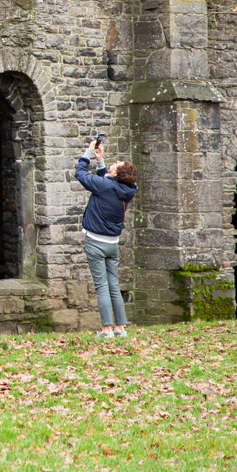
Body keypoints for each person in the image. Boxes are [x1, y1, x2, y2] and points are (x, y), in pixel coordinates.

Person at [74, 138, 138, 339]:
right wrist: (100, 161)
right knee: (113, 286)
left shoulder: (105, 185)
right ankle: (120, 328)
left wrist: (88, 152)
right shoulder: (127, 189)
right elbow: (108, 183)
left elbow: (80, 173)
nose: (114, 163)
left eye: (116, 165)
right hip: (112, 243)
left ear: (115, 174)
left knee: (102, 286)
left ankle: (106, 330)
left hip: (96, 242)